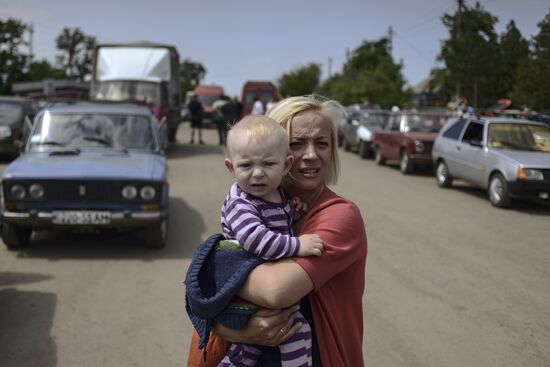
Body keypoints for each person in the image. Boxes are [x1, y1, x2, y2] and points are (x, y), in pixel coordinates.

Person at [186, 95, 368, 366]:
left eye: (322, 143)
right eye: (297, 143)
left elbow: (275, 290)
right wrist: (230, 328)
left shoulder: (340, 216)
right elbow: (206, 306)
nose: (310, 155)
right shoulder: (256, 202)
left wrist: (212, 271)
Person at [213, 115, 325, 366]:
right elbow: (257, 241)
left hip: (254, 292)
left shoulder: (275, 194)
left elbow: (274, 221)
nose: (257, 174)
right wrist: (299, 244)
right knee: (295, 332)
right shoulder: (241, 202)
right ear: (231, 168)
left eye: (268, 164)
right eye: (246, 166)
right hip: (244, 298)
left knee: (248, 352)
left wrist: (291, 211)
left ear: (286, 165)